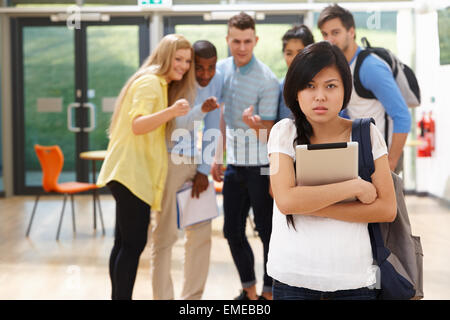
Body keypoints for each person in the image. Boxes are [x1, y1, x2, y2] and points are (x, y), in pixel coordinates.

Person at [267, 41, 397, 300]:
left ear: (344, 90)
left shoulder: (366, 134)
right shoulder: (284, 133)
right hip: (293, 278)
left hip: (354, 279)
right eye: (309, 86)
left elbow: (386, 209)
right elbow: (286, 200)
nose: (320, 96)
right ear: (296, 91)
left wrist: (311, 205)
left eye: (330, 86)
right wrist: (353, 187)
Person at [96, 34, 196, 300]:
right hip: (132, 175)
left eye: (187, 61)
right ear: (165, 56)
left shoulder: (157, 83)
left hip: (128, 174)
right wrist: (172, 112)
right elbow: (138, 124)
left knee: (124, 244)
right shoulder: (151, 83)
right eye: (178, 59)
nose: (184, 66)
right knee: (132, 245)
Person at [211, 12, 279, 301]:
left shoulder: (267, 79)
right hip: (234, 166)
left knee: (267, 232)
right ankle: (249, 290)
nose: (241, 47)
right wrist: (216, 156)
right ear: (228, 40)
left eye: (247, 41)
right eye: (236, 41)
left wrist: (257, 124)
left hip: (261, 165)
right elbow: (219, 117)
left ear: (256, 40)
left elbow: (271, 130)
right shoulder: (221, 71)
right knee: (231, 230)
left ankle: (269, 292)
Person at [150, 40, 222, 300]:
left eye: (210, 67)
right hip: (170, 161)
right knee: (165, 236)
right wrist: (200, 110)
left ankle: (192, 300)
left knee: (201, 234)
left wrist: (203, 169)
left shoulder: (217, 80)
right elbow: (173, 124)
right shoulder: (174, 82)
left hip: (195, 163)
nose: (205, 74)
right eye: (198, 68)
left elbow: (213, 126)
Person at [318, 4, 411, 173]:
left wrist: (391, 162)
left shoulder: (370, 67)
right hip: (361, 157)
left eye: (335, 32)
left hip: (382, 156)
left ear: (351, 32)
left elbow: (403, 116)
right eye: (325, 34)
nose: (329, 39)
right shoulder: (339, 66)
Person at [277, 24, 315, 122]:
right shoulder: (280, 88)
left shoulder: (323, 85)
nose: (294, 59)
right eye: (289, 53)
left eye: (300, 52)